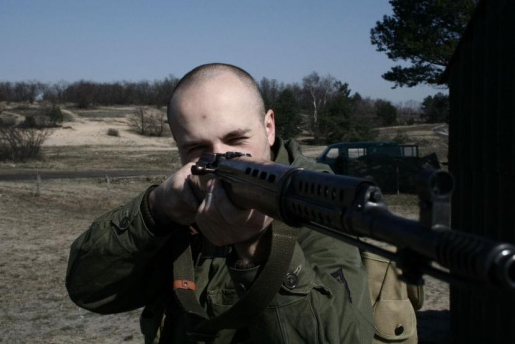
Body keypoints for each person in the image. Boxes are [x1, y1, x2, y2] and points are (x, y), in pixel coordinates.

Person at [66, 63, 376, 343]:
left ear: (269, 127)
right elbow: (89, 290)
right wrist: (154, 211)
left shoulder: (312, 197)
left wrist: (257, 247)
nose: (222, 157)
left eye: (237, 139)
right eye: (198, 148)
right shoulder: (181, 202)